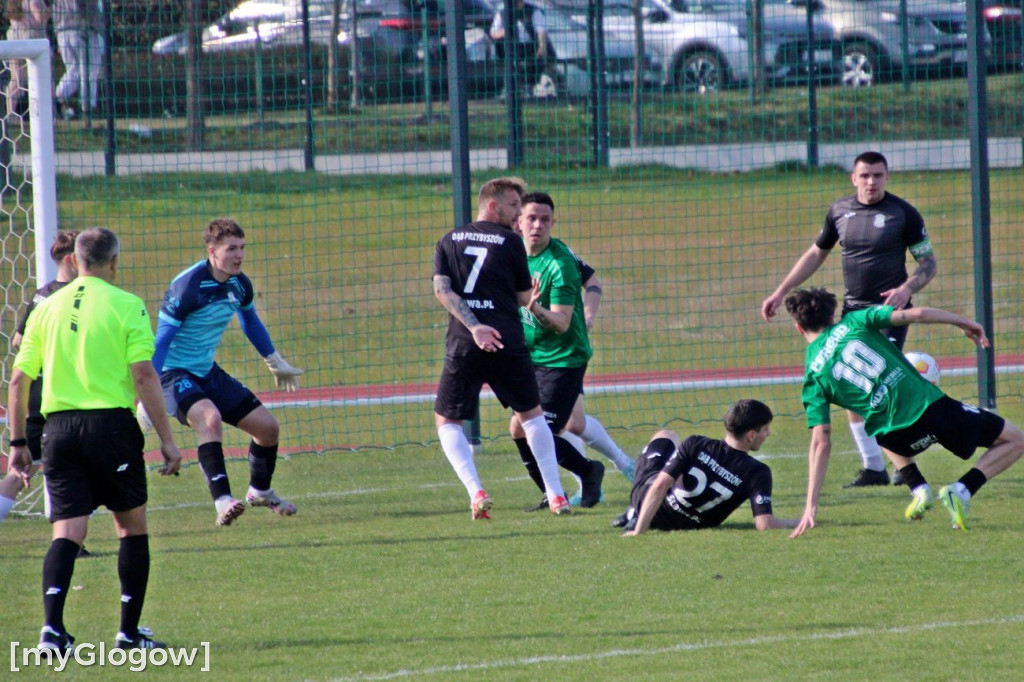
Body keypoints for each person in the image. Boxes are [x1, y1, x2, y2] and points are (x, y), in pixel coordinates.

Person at [6, 227, 182, 651]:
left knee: (66, 531)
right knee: (131, 528)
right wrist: (168, 440)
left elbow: (17, 380)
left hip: (58, 431)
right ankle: (128, 634)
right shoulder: (127, 305)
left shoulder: (46, 306)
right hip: (111, 428)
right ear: (114, 261)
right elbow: (143, 374)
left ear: (75, 260)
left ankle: (51, 632)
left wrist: (17, 445)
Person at [784, 287, 1024, 537]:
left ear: (799, 328)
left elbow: (820, 442)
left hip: (894, 438)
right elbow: (916, 314)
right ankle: (961, 490)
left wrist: (810, 505)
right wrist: (964, 322)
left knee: (877, 418)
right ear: (831, 316)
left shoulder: (812, 377)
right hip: (931, 411)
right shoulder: (855, 320)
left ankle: (919, 489)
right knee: (1016, 440)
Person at [761, 151, 938, 489]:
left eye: (878, 175)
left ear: (887, 177)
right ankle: (875, 467)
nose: (872, 182)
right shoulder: (840, 212)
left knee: (881, 386)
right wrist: (780, 291)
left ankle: (903, 463)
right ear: (854, 178)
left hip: (889, 313)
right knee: (851, 386)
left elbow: (928, 263)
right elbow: (816, 253)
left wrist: (906, 288)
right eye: (866, 175)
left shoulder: (903, 213)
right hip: (852, 314)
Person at [146, 218, 303, 526]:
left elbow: (250, 322)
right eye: (231, 249)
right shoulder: (187, 286)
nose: (239, 255)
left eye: (242, 248)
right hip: (173, 374)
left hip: (207, 371)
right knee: (210, 419)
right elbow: (161, 342)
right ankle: (223, 502)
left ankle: (260, 491)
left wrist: (274, 361)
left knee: (268, 429)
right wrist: (147, 395)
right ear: (212, 251)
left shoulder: (239, 283)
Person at [433, 177, 569, 518]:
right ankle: (556, 495)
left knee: (448, 420)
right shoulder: (510, 242)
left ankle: (476, 491)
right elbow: (524, 298)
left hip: (466, 341)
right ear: (492, 206)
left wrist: (475, 326)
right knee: (532, 416)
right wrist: (529, 299)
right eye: (513, 206)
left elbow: (443, 291)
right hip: (507, 339)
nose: (518, 214)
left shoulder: (448, 240)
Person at [506, 192, 606, 510]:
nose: (538, 225)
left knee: (541, 430)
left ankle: (586, 475)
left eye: (545, 219)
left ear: (553, 222)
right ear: (518, 221)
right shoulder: (511, 252)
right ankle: (556, 489)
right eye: (531, 218)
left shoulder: (559, 264)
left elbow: (562, 324)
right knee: (519, 428)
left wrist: (533, 308)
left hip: (564, 359)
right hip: (530, 356)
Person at [0, 231, 94, 562]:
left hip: (40, 394)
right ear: (72, 260)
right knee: (67, 468)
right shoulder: (75, 297)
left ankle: (74, 542)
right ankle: (73, 542)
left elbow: (17, 341)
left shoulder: (41, 295)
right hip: (61, 398)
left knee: (36, 467)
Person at [618, 399, 797, 535]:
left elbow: (660, 485)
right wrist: (799, 521)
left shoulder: (695, 444)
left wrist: (639, 531)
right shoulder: (758, 472)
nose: (768, 434)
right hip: (688, 526)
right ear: (750, 435)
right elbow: (764, 524)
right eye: (765, 429)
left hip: (650, 507)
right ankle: (633, 513)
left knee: (666, 435)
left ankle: (635, 513)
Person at [52, 0, 104, 120]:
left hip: (62, 32)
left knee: (73, 71)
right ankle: (88, 108)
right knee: (90, 71)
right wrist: (96, 25)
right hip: (82, 30)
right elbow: (87, 7)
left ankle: (58, 98)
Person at [490, 0, 551, 97]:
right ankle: (509, 91)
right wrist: (504, 32)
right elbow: (493, 32)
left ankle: (529, 89)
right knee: (511, 67)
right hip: (511, 47)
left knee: (532, 66)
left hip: (529, 47)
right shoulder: (503, 13)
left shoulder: (533, 11)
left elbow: (541, 32)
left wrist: (542, 47)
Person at [3, 0, 50, 118]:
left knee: (16, 79)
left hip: (15, 39)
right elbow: (39, 18)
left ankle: (10, 112)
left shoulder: (13, 3)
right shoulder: (33, 1)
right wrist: (49, 12)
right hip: (33, 42)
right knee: (41, 78)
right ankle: (43, 113)